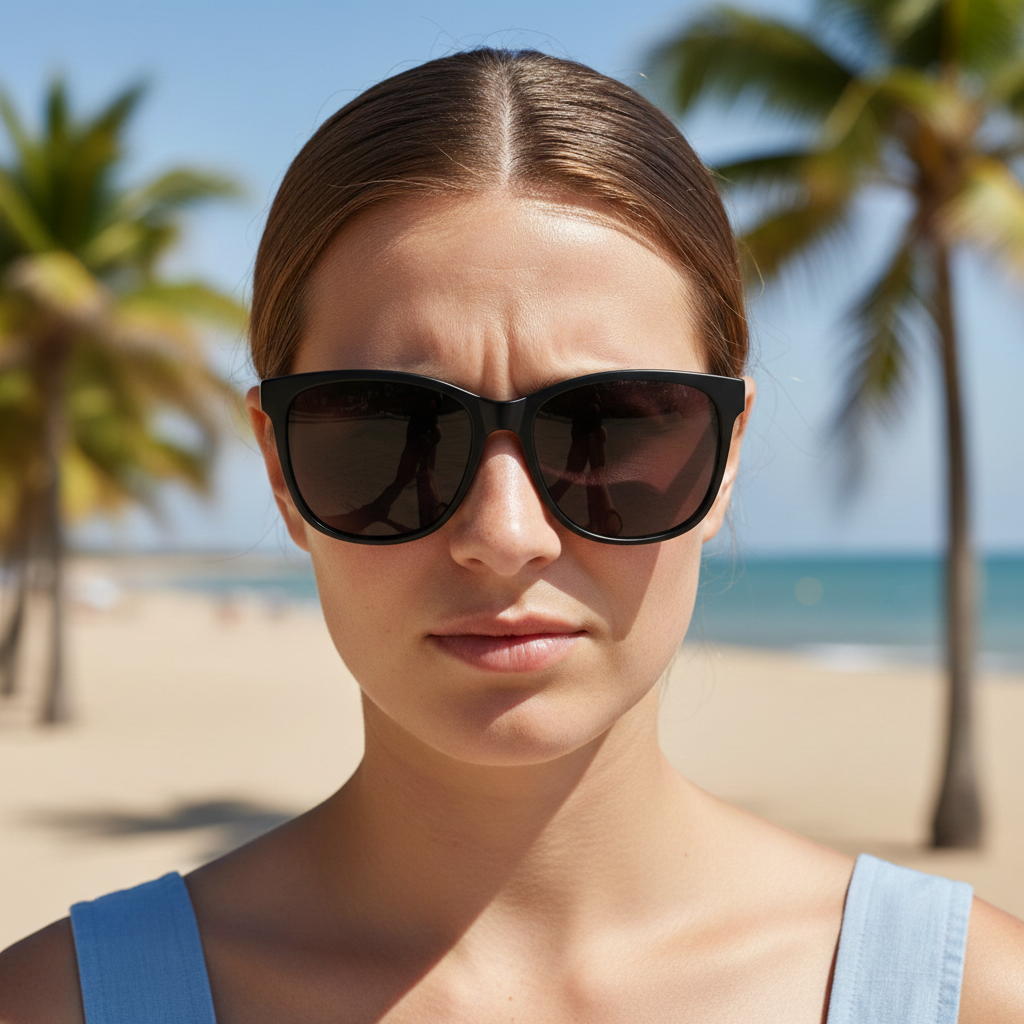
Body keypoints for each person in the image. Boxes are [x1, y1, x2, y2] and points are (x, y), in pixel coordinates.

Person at [1, 47, 1022, 1024]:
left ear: (727, 453)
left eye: (610, 427)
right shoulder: (55, 1007)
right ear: (277, 464)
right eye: (390, 432)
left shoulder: (973, 997)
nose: (504, 533)